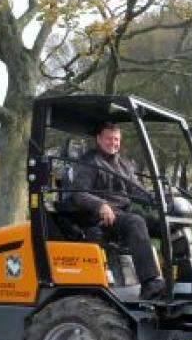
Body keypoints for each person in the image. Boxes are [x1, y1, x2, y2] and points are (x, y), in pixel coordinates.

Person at [69, 122, 166, 300]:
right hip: (101, 219)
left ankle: (181, 276)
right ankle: (150, 283)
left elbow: (137, 190)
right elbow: (79, 193)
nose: (113, 143)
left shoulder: (123, 165)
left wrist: (159, 200)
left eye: (116, 139)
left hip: (123, 214)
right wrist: (100, 205)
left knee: (164, 223)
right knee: (135, 222)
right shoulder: (89, 163)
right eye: (109, 138)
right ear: (98, 139)